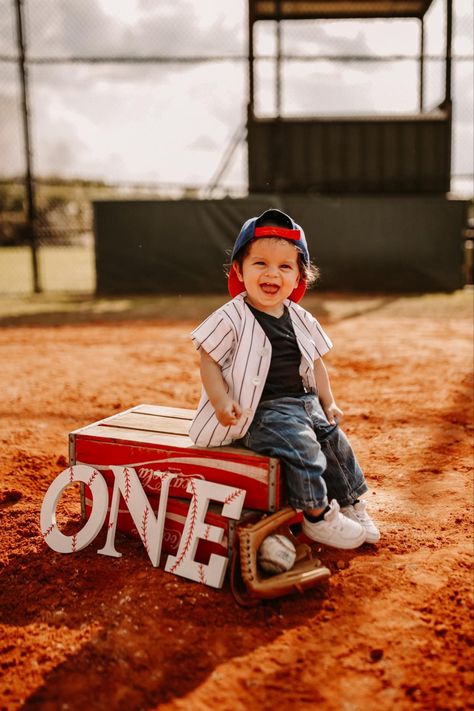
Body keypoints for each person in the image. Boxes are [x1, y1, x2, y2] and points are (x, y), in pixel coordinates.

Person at [189, 208, 380, 549]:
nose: (271, 274)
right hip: (261, 411)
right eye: (260, 263)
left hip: (305, 403)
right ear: (239, 269)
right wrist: (221, 402)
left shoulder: (300, 317)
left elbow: (316, 364)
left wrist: (329, 401)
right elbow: (209, 360)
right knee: (301, 446)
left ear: (298, 277)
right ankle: (317, 516)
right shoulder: (231, 316)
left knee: (334, 442)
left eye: (284, 266)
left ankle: (351, 504)